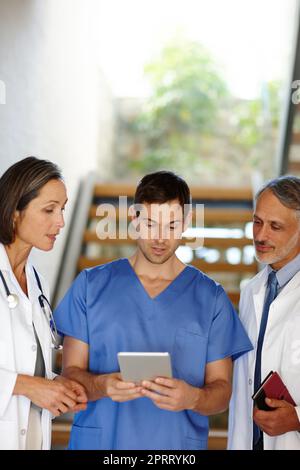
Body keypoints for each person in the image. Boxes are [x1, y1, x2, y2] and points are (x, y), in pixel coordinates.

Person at [54, 170, 252, 450]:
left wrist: (192, 398)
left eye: (171, 226)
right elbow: (70, 374)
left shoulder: (211, 299)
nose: (160, 238)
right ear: (134, 220)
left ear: (186, 223)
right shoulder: (90, 286)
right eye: (150, 224)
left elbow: (221, 392)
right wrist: (102, 385)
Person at [0, 157, 88, 450]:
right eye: (49, 209)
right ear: (14, 211)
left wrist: (57, 386)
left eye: (62, 209)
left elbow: (25, 361)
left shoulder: (37, 282)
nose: (61, 222)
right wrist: (27, 386)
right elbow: (20, 380)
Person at [228, 176, 300, 450]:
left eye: (275, 226)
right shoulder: (253, 290)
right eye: (257, 222)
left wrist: (297, 419)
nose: (260, 235)